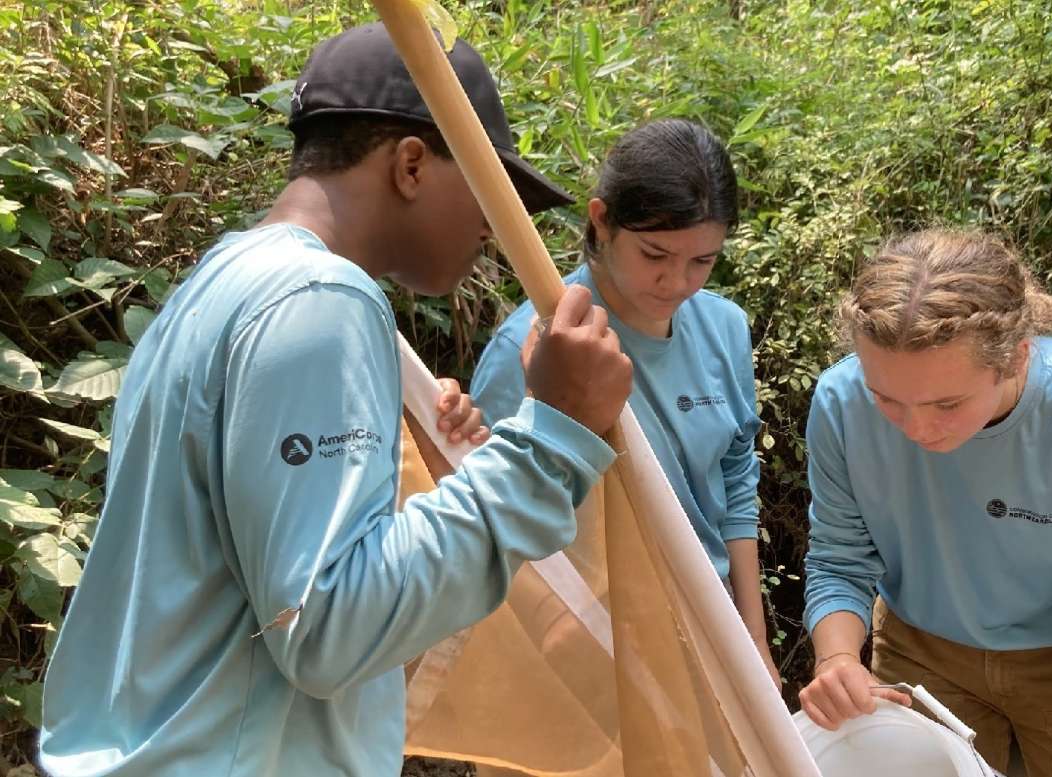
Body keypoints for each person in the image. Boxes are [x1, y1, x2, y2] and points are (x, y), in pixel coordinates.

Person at [38, 23, 632, 777]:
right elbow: (324, 627)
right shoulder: (321, 300)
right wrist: (550, 441)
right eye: (489, 189)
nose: (492, 225)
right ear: (411, 165)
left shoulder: (217, 287)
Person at [798, 229, 1052, 777]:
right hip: (921, 652)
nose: (917, 430)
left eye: (947, 403)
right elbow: (839, 556)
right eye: (886, 399)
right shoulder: (840, 403)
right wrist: (836, 659)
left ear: (1016, 357)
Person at [469, 118, 780, 687]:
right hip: (588, 650)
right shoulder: (537, 347)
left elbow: (735, 479)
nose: (676, 282)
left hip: (709, 628)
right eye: (655, 254)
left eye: (702, 261)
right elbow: (492, 527)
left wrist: (753, 639)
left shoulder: (724, 327)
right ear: (601, 222)